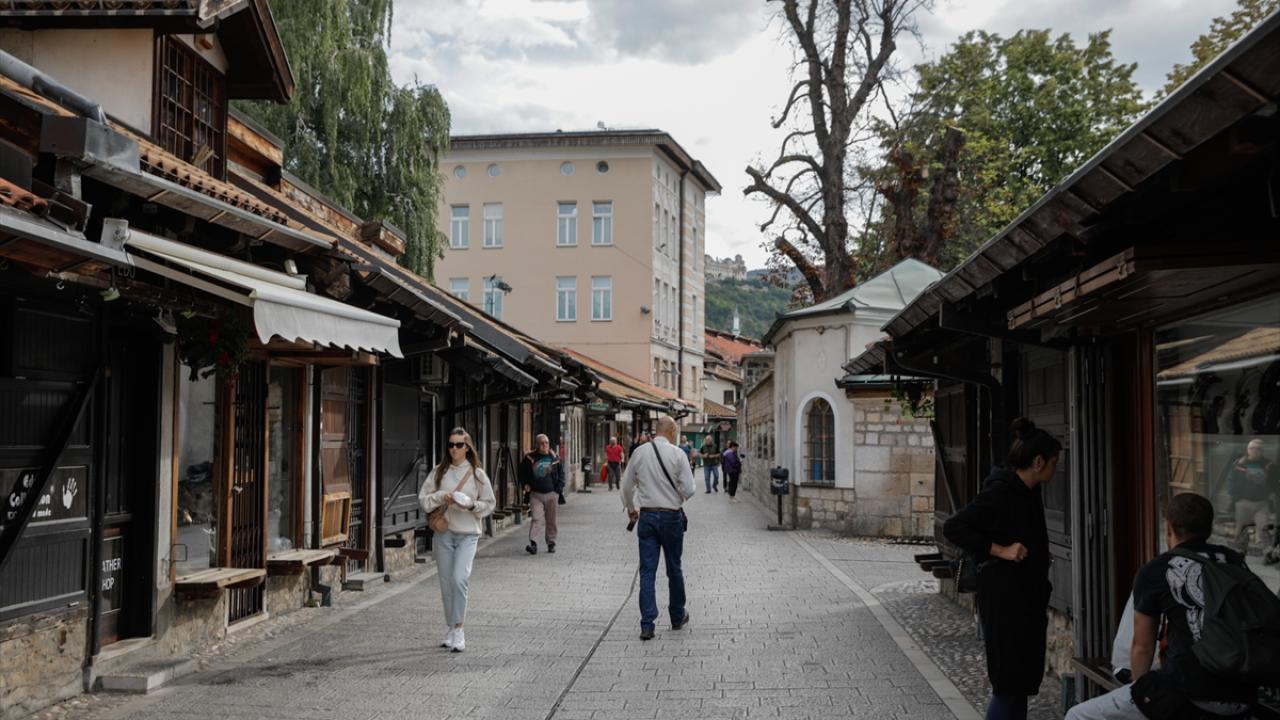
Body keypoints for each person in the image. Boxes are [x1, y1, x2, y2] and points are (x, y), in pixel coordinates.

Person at [1065, 493, 1256, 720]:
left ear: (1168, 528)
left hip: (1189, 693)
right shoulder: (1234, 561)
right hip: (1243, 694)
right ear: (1209, 527)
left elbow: (1142, 647)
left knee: (1077, 715)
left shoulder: (1156, 570)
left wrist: (1141, 694)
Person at [943, 417, 1061, 720]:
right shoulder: (1001, 492)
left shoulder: (1029, 491)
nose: (1055, 468)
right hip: (1005, 601)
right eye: (1053, 462)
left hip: (1027, 600)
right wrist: (1001, 550)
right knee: (1008, 683)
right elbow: (954, 527)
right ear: (1038, 462)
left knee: (1021, 683)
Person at [418, 427, 495, 653]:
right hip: (443, 533)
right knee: (446, 583)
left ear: (467, 447)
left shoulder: (477, 474)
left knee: (459, 579)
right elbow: (423, 500)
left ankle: (459, 630)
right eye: (451, 444)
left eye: (459, 444)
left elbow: (490, 504)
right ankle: (451, 627)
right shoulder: (439, 472)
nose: (454, 448)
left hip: (468, 534)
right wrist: (442, 496)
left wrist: (471, 505)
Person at [622, 415, 696, 641]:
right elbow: (690, 489)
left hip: (647, 516)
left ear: (657, 431)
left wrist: (631, 508)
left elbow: (626, 486)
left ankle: (647, 624)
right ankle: (676, 615)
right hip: (671, 517)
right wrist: (677, 494)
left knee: (647, 571)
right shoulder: (678, 454)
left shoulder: (639, 452)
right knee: (674, 567)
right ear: (672, 432)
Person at [1227, 438, 1277, 552]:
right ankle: (1239, 553)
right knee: (1241, 531)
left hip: (1262, 503)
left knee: (1263, 530)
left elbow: (1275, 483)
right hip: (1243, 502)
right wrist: (1235, 497)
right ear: (1247, 450)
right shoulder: (1239, 463)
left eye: (1258, 449)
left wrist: (1271, 495)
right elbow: (1231, 480)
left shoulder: (1270, 465)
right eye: (1252, 448)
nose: (1254, 451)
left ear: (1262, 451)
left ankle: (1266, 554)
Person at [520, 434, 564, 555]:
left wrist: (558, 489)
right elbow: (522, 473)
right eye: (542, 443)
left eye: (546, 443)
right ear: (537, 445)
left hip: (552, 494)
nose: (545, 445)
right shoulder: (530, 458)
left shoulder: (555, 458)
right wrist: (525, 484)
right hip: (536, 494)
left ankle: (551, 543)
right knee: (536, 518)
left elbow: (561, 474)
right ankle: (533, 544)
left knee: (551, 520)